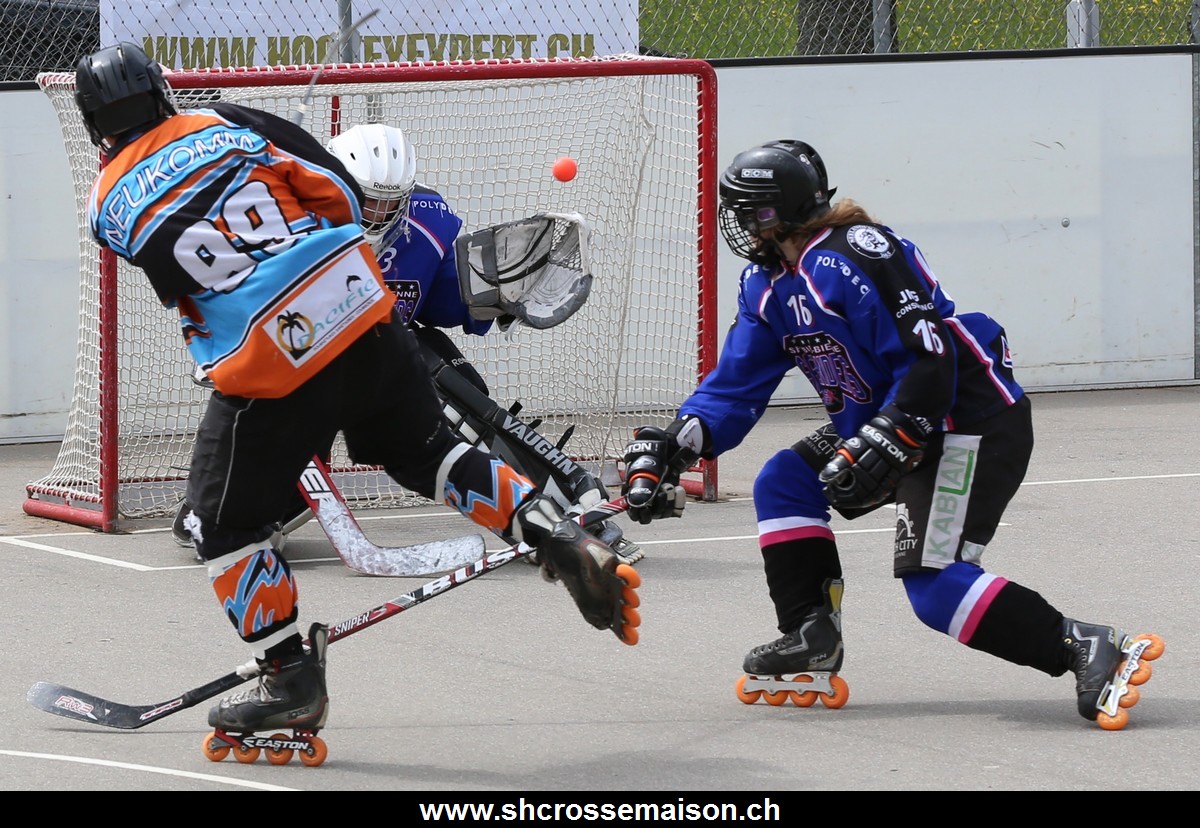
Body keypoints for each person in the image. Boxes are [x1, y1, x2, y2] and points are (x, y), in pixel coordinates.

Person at [74, 42, 641, 746]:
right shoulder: (221, 121)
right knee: (429, 451)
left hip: (269, 357)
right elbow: (339, 192)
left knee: (222, 527)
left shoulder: (104, 203)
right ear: (162, 92)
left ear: (95, 124)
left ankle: (289, 680)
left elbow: (171, 271)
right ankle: (554, 533)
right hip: (362, 310)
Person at [620, 138, 1163, 728]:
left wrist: (893, 434)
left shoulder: (854, 253)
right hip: (889, 426)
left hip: (965, 424)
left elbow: (929, 355)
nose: (742, 222)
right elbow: (734, 387)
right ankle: (810, 632)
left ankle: (1082, 642)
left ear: (789, 208)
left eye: (755, 210)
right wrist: (674, 446)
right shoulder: (765, 284)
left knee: (933, 587)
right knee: (784, 482)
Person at [170, 122, 642, 565]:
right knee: (226, 522)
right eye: (367, 200)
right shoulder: (280, 222)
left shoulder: (427, 223)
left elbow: (443, 299)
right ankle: (236, 510)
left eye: (389, 202)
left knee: (460, 399)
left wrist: (500, 292)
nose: (377, 214)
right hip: (300, 374)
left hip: (384, 357)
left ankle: (556, 520)